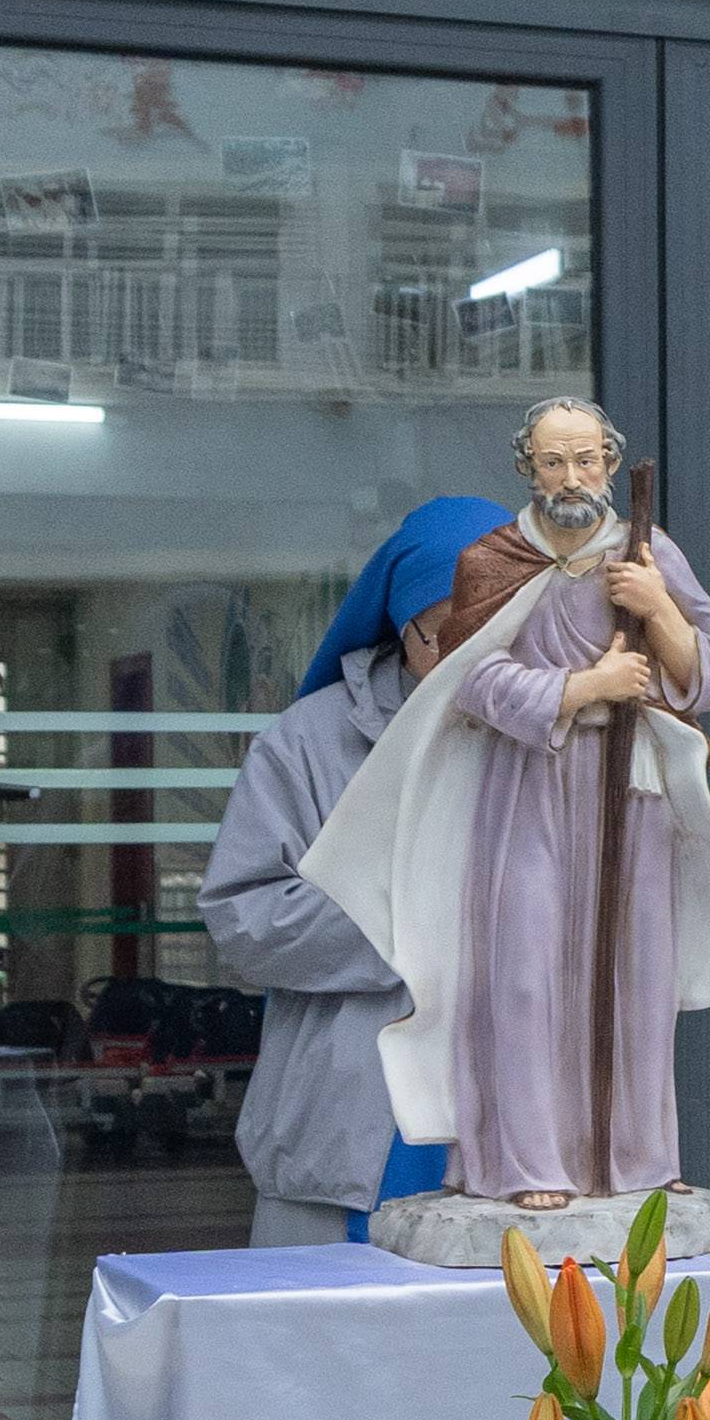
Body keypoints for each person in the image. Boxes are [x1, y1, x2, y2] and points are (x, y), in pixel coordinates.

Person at [302, 395, 710, 1216]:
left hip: (629, 791)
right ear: (527, 468)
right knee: (524, 974)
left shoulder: (647, 553)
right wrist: (583, 686)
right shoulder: (493, 559)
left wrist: (658, 607)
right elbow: (468, 678)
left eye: (587, 460)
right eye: (554, 461)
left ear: (610, 463)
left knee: (635, 972)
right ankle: (524, 1160)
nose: (572, 478)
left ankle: (637, 1159)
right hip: (525, 786)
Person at [204, 495, 509, 1243]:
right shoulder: (308, 743)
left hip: (519, 1107)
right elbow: (244, 922)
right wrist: (421, 909)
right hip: (352, 1115)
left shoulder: (570, 733)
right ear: (402, 629)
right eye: (445, 636)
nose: (469, 658)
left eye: (498, 630)